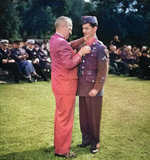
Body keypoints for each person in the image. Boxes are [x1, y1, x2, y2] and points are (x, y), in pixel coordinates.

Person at [49, 16, 91, 158]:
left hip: (59, 83)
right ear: (63, 26)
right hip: (65, 85)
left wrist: (82, 40)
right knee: (65, 119)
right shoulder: (61, 43)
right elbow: (69, 64)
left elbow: (69, 45)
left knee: (60, 116)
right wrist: (81, 53)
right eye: (70, 28)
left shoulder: (55, 39)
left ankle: (58, 144)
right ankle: (62, 150)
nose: (71, 31)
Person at [77, 16, 109, 154]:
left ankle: (95, 142)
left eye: (87, 28)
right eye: (83, 28)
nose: (84, 31)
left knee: (94, 118)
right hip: (82, 87)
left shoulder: (100, 48)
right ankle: (86, 139)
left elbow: (103, 71)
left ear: (95, 28)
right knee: (84, 117)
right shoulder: (81, 46)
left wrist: (96, 89)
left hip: (94, 88)